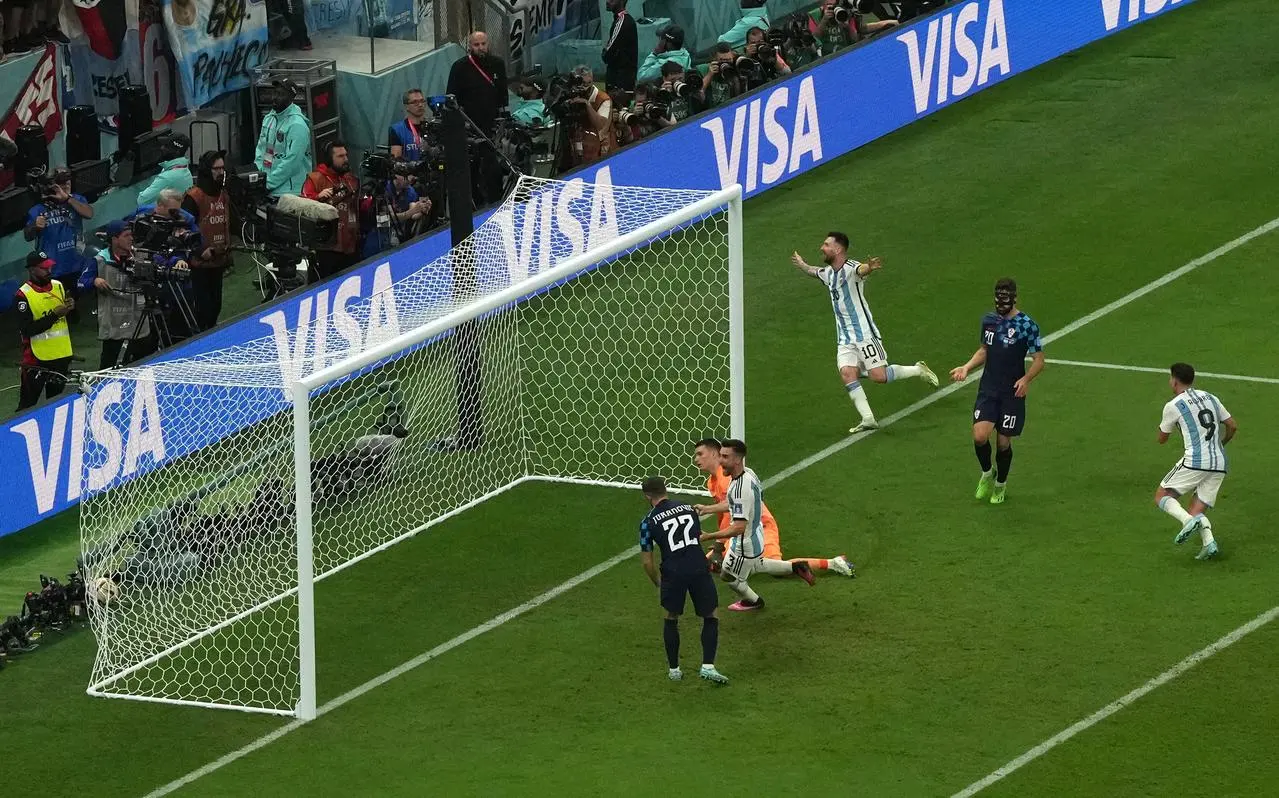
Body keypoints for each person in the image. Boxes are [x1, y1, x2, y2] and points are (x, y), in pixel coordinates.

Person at [791, 232, 939, 434]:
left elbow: (862, 270)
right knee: (847, 373)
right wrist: (802, 265)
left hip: (864, 334)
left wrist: (869, 267)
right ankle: (868, 418)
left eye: (826, 245)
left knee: (879, 376)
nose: (821, 248)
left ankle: (917, 369)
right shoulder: (828, 273)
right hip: (844, 338)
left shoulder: (852, 269)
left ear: (838, 249)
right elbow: (813, 271)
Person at [690, 438, 853, 577]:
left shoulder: (726, 479)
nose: (696, 459)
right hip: (740, 533)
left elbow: (729, 510)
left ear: (713, 453)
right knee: (714, 565)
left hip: (759, 527)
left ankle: (834, 563)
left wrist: (718, 544)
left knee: (776, 567)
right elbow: (727, 512)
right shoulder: (713, 481)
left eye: (700, 454)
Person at [949, 278, 1045, 505]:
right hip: (989, 389)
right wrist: (966, 366)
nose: (1000, 304)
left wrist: (1026, 378)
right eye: (998, 299)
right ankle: (986, 472)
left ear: (1014, 299)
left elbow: (1039, 360)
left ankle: (1000, 484)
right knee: (980, 436)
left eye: (1005, 299)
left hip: (1012, 393)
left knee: (1003, 443)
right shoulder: (989, 321)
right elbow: (984, 350)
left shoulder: (1027, 325)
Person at [699, 439, 815, 612]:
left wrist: (709, 536)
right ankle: (796, 567)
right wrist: (708, 508)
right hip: (758, 532)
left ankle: (754, 601)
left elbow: (738, 527)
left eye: (725, 456)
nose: (720, 460)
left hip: (744, 543)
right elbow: (737, 503)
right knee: (757, 563)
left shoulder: (737, 488)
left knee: (728, 576)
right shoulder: (749, 474)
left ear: (737, 460)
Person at [638, 475, 729, 684]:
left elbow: (647, 562)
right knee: (711, 614)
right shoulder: (687, 508)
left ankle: (674, 670)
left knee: (670, 616)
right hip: (698, 566)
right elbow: (695, 537)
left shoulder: (647, 522)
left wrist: (658, 583)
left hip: (673, 571)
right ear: (665, 489)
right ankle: (708, 666)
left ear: (647, 496)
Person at [1154, 363, 1236, 561]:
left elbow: (1161, 439)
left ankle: (1186, 522)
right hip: (1219, 463)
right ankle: (1209, 544)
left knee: (1162, 496)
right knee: (1196, 510)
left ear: (1174, 380)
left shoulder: (1173, 405)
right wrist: (1221, 444)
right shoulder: (1211, 397)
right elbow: (1232, 425)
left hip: (1196, 461)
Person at [13, 252, 76, 411]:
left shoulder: (58, 286)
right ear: (32, 269)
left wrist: (72, 309)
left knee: (57, 405)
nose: (49, 271)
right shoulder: (23, 295)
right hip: (36, 361)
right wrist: (54, 315)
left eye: (50, 266)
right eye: (44, 268)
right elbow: (27, 330)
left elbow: (74, 321)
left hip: (61, 355)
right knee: (27, 406)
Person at [181, 150, 232, 331]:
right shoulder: (194, 197)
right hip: (199, 263)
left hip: (218, 259)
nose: (220, 172)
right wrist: (200, 249)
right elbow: (184, 229)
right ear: (206, 170)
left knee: (216, 305)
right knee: (204, 309)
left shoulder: (223, 194)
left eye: (222, 168)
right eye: (216, 169)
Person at [93, 220, 154, 369]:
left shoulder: (139, 254)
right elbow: (81, 282)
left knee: (144, 363)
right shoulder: (100, 259)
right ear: (114, 239)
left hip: (138, 317)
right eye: (126, 235)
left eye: (131, 235)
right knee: (108, 365)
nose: (131, 239)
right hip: (114, 320)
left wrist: (177, 260)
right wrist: (95, 280)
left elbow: (160, 263)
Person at [302, 140, 362, 281]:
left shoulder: (351, 179)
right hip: (327, 249)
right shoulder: (315, 179)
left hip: (351, 245)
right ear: (329, 159)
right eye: (340, 156)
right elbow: (303, 207)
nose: (346, 159)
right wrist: (318, 197)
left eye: (346, 155)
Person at [24, 167, 94, 287]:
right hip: (52, 269)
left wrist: (67, 199)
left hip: (77, 263)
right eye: (62, 184)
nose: (66, 186)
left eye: (68, 183)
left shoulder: (76, 200)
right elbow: (27, 236)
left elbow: (89, 213)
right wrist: (35, 226)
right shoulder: (38, 209)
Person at [255, 79, 312, 196]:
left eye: (280, 94)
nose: (274, 97)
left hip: (292, 192)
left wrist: (268, 183)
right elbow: (263, 151)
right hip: (268, 188)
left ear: (291, 98)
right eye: (274, 93)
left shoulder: (297, 125)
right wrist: (260, 177)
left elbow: (292, 162)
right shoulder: (269, 119)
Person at [446, 31, 508, 136]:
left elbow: (503, 93)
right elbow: (451, 95)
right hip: (470, 122)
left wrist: (505, 116)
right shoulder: (459, 67)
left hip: (493, 119)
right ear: (470, 46)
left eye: (483, 44)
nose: (481, 47)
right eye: (476, 44)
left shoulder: (498, 64)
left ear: (488, 44)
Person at [361, 169, 431, 259]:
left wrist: (422, 209)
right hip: (378, 237)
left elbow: (413, 215)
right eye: (406, 176)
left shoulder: (410, 191)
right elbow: (385, 221)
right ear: (396, 176)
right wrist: (412, 211)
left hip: (397, 238)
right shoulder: (383, 190)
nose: (410, 179)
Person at [564, 65, 613, 167]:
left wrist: (587, 104)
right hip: (577, 144)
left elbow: (602, 125)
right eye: (582, 84)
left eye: (588, 83)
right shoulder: (570, 95)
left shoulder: (603, 98)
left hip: (601, 151)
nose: (585, 87)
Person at [137, 133, 192, 206]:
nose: (162, 148)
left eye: (166, 146)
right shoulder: (185, 169)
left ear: (177, 152)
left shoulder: (168, 178)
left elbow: (141, 200)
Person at [601, 0, 638, 101]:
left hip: (620, 80)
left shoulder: (622, 21)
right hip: (621, 78)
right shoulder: (622, 20)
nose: (607, 1)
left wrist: (604, 54)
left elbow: (609, 52)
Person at [388, 88, 430, 162]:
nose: (420, 105)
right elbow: (395, 161)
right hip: (408, 172)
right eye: (415, 102)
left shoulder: (433, 127)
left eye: (422, 101)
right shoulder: (397, 130)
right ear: (406, 106)